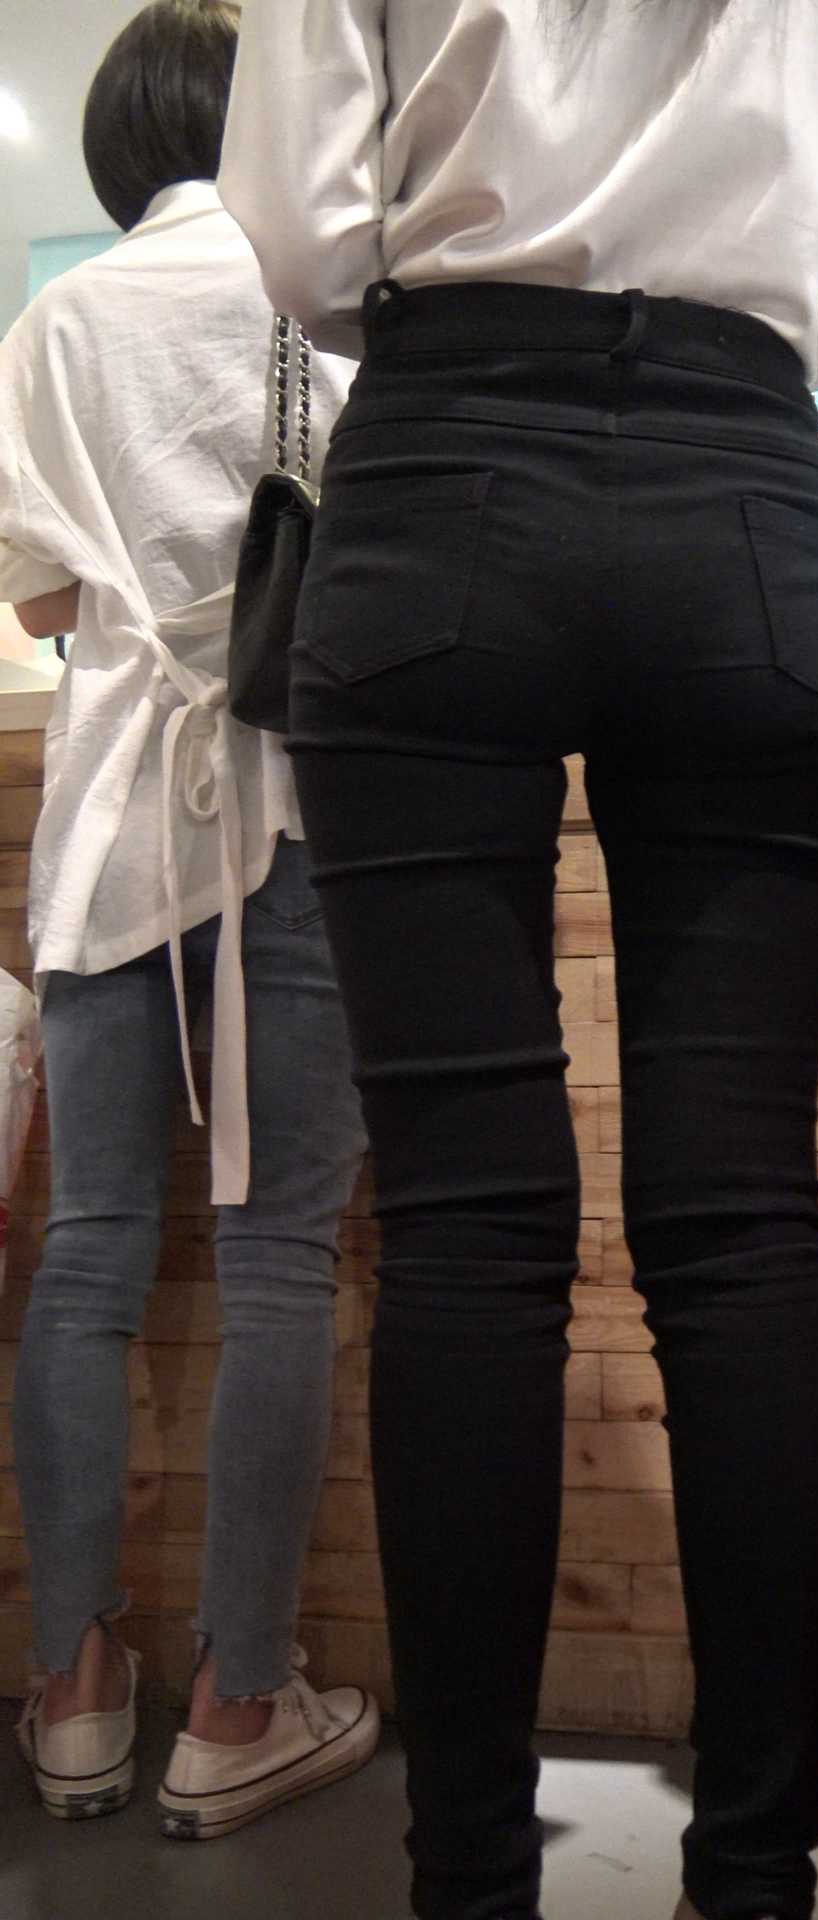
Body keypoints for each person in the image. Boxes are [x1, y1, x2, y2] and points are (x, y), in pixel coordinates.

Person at [220, 1, 818, 1914]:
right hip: (742, 494)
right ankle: (757, 1880)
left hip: (445, 470)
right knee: (745, 1223)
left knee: (469, 1230)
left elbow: (304, 235)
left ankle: (472, 1885)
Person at [0, 0, 380, 1838]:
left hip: (104, 839)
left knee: (87, 1256)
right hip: (291, 812)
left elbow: (43, 605)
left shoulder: (56, 322)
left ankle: (73, 1691)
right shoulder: (332, 306)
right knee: (279, 1253)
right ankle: (238, 1704)